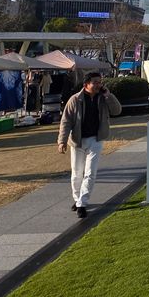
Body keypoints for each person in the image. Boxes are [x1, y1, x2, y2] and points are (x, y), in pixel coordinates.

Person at [57, 72, 122, 218]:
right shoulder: (75, 100)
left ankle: (82, 203)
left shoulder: (103, 98)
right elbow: (66, 121)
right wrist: (62, 141)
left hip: (96, 139)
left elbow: (117, 110)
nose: (99, 85)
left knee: (90, 173)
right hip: (78, 140)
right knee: (76, 173)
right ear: (86, 84)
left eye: (100, 82)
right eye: (95, 82)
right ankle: (77, 198)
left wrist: (109, 95)